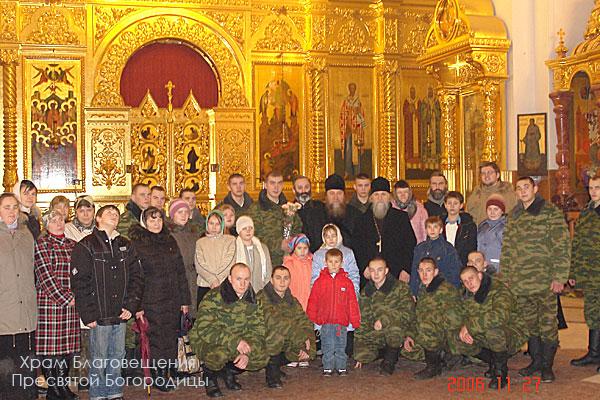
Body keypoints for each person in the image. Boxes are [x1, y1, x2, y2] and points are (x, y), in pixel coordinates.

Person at [500, 176, 570, 383]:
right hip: (520, 282)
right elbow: (508, 248)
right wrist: (506, 276)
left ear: (535, 188)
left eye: (526, 187)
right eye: (519, 188)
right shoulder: (514, 215)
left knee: (548, 324)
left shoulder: (550, 213)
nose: (522, 191)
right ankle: (536, 362)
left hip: (545, 281)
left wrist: (560, 277)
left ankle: (547, 367)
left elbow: (562, 246)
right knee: (530, 325)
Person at [70, 205, 144, 400]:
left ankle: (114, 393)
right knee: (99, 357)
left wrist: (131, 305)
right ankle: (97, 395)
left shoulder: (126, 245)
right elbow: (80, 282)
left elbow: (137, 278)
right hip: (99, 313)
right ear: (98, 219)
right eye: (109, 212)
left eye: (116, 214)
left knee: (117, 355)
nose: (114, 215)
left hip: (120, 313)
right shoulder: (86, 245)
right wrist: (88, 314)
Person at [129, 207, 190, 391]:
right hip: (150, 299)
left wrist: (184, 300)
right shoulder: (137, 243)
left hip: (172, 298)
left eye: (159, 219)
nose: (156, 223)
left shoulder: (169, 240)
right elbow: (135, 276)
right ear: (144, 222)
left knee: (170, 337)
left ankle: (167, 371)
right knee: (155, 339)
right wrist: (137, 305)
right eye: (152, 220)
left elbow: (180, 271)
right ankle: (158, 375)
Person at [189, 263, 268, 398]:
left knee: (262, 356)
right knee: (219, 355)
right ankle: (209, 377)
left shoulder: (254, 300)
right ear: (230, 279)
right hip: (209, 340)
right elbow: (205, 329)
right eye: (238, 279)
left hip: (238, 340)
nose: (243, 284)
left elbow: (258, 331)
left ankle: (229, 372)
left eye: (246, 279)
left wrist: (247, 353)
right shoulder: (213, 297)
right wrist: (235, 342)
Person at [453, 266, 527, 389]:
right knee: (457, 337)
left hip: (512, 331)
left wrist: (470, 326)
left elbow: (500, 316)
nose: (469, 283)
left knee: (493, 332)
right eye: (465, 281)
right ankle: (494, 361)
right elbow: (461, 314)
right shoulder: (466, 294)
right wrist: (463, 327)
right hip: (484, 330)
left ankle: (500, 374)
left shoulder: (499, 290)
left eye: (471, 278)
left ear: (480, 276)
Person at [34, 210, 80, 399]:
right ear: (46, 224)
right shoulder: (42, 244)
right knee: (50, 350)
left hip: (72, 304)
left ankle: (62, 385)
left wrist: (78, 296)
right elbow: (45, 275)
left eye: (61, 219)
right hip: (49, 304)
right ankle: (53, 388)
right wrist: (65, 297)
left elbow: (81, 273)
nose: (59, 223)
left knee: (67, 350)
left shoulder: (74, 245)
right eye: (53, 220)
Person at [0, 193, 37, 400]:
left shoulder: (26, 235)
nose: (12, 211)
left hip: (26, 310)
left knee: (26, 361)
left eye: (15, 207)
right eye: (6, 207)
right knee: (6, 364)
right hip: (4, 309)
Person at [403, 257, 462, 380]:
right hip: (431, 331)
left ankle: (434, 366)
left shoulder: (446, 290)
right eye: (421, 270)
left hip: (449, 334)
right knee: (407, 348)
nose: (424, 274)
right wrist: (410, 335)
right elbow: (417, 316)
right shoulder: (423, 290)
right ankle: (440, 358)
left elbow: (454, 320)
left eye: (428, 270)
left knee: (426, 325)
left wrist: (431, 320)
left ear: (435, 272)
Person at [354, 258, 414, 375]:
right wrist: (359, 347)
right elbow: (363, 320)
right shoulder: (366, 291)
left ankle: (389, 361)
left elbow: (408, 312)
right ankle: (388, 350)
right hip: (377, 332)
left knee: (395, 330)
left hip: (397, 330)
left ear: (386, 271)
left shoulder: (400, 287)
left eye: (379, 270)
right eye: (372, 270)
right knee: (361, 354)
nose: (376, 274)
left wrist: (384, 320)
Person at [257, 266, 315, 388]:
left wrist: (308, 346)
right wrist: (300, 337)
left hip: (284, 340)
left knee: (303, 346)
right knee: (276, 335)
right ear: (271, 280)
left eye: (286, 278)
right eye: (278, 278)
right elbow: (275, 322)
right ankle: (272, 375)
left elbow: (305, 322)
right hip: (259, 342)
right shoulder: (262, 297)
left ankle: (275, 366)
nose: (282, 282)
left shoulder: (292, 301)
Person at [352, 177, 416, 287]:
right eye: (376, 195)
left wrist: (406, 269)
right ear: (371, 198)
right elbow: (356, 247)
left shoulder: (401, 218)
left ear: (389, 197)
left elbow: (410, 245)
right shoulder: (361, 220)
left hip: (396, 273)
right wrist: (363, 267)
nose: (380, 198)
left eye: (383, 194)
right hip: (370, 275)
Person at [307, 248, 361, 376]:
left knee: (341, 346)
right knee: (327, 346)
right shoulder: (320, 282)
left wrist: (355, 320)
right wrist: (312, 316)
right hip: (325, 322)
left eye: (337, 262)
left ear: (341, 263)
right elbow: (313, 300)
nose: (333, 265)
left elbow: (352, 302)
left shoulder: (347, 283)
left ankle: (341, 367)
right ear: (325, 262)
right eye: (330, 262)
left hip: (341, 323)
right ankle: (328, 367)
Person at [312, 224, 361, 357]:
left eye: (333, 235)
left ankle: (342, 356)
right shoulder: (318, 254)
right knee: (327, 329)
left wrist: (353, 292)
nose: (331, 239)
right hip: (326, 298)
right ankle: (328, 356)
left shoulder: (348, 252)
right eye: (327, 236)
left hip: (344, 296)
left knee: (342, 329)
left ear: (338, 235)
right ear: (323, 238)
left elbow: (354, 274)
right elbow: (315, 277)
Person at [62, 195, 95, 390]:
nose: (85, 213)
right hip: (74, 286)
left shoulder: (99, 230)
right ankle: (74, 376)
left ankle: (90, 375)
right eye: (81, 210)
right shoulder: (68, 229)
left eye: (88, 210)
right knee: (76, 336)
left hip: (94, 289)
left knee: (92, 336)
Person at [569, 175, 600, 369]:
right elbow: (577, 244)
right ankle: (594, 352)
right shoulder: (587, 212)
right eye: (591, 188)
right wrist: (573, 272)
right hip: (590, 274)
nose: (594, 191)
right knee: (592, 312)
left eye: (598, 187)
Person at [244, 170, 302, 265]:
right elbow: (252, 236)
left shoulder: (289, 207)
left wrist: (292, 242)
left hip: (289, 260)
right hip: (266, 260)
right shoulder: (255, 209)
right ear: (266, 185)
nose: (276, 187)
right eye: (272, 183)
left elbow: (297, 228)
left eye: (279, 183)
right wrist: (279, 245)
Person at [168, 199, 203, 319]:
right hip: (176, 278)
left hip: (193, 277)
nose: (183, 215)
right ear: (172, 215)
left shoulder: (195, 233)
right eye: (179, 212)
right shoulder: (167, 235)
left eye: (185, 212)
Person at [409, 216, 462, 296]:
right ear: (426, 230)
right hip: (421, 289)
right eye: (429, 227)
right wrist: (413, 291)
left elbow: (455, 270)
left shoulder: (448, 249)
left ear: (441, 230)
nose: (432, 230)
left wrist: (451, 289)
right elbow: (414, 271)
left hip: (441, 290)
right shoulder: (419, 248)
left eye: (435, 227)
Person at [194, 210, 236, 305]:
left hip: (224, 284)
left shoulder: (230, 240)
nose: (214, 227)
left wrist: (218, 279)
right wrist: (212, 279)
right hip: (205, 284)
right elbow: (199, 263)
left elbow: (230, 261)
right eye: (211, 223)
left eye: (217, 224)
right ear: (207, 224)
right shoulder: (200, 242)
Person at [234, 216, 272, 291]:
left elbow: (268, 272)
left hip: (260, 290)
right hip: (240, 291)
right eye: (244, 228)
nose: (248, 231)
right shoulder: (233, 248)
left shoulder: (263, 248)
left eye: (250, 228)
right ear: (239, 231)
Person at [293, 175, 327, 253]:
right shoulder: (289, 210)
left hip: (320, 253)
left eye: (306, 187)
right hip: (298, 255)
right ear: (294, 190)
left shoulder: (321, 208)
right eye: (300, 188)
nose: (304, 191)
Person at [442, 191, 477, 266]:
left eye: (455, 203)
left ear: (461, 205)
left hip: (461, 263)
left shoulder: (469, 225)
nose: (452, 206)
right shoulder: (439, 224)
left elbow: (472, 247)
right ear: (445, 205)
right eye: (449, 203)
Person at [477, 195, 507, 274]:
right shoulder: (482, 226)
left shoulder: (506, 227)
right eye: (489, 209)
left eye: (496, 209)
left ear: (502, 211)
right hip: (482, 267)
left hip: (498, 268)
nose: (492, 212)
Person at [283, 234, 313, 311]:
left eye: (305, 248)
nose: (302, 251)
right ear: (294, 249)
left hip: (310, 302)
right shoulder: (288, 264)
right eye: (299, 248)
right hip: (294, 303)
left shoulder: (312, 263)